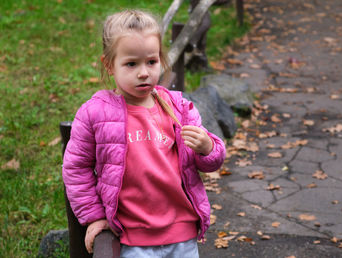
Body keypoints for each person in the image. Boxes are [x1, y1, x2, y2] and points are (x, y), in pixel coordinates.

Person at [62, 9, 225, 257]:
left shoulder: (177, 107)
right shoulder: (95, 113)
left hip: (182, 235)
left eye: (151, 61)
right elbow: (76, 168)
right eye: (131, 64)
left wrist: (208, 148)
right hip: (131, 238)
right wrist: (94, 217)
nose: (143, 72)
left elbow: (211, 162)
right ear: (109, 65)